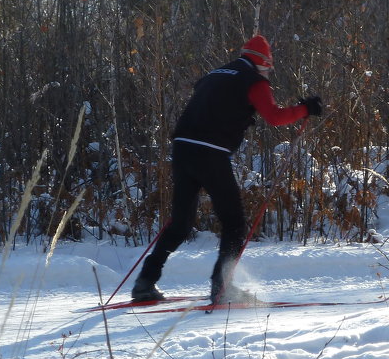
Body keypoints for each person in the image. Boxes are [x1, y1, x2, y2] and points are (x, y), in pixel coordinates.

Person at [131, 35, 323, 304]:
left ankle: (144, 283)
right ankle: (222, 288)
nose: (269, 71)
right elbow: (275, 117)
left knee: (180, 224)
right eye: (269, 66)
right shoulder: (253, 80)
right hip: (210, 153)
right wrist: (305, 109)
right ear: (263, 61)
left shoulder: (214, 75)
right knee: (234, 223)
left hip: (182, 148)